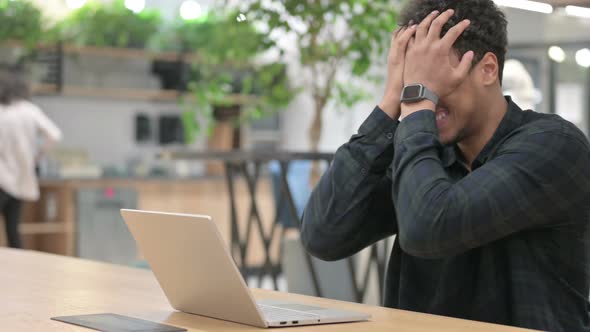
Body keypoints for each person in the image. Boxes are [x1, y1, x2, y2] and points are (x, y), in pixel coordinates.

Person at [301, 1, 590, 331]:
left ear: (488, 69)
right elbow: (323, 235)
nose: (426, 93)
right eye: (412, 77)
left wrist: (419, 101)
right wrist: (388, 105)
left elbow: (430, 227)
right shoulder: (426, 150)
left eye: (434, 76)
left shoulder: (554, 144)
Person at [0, 69, 62, 248]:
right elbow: (55, 135)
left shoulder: (2, 111)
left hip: (2, 177)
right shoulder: (29, 110)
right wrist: (37, 154)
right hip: (21, 177)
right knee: (13, 229)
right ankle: (18, 270)